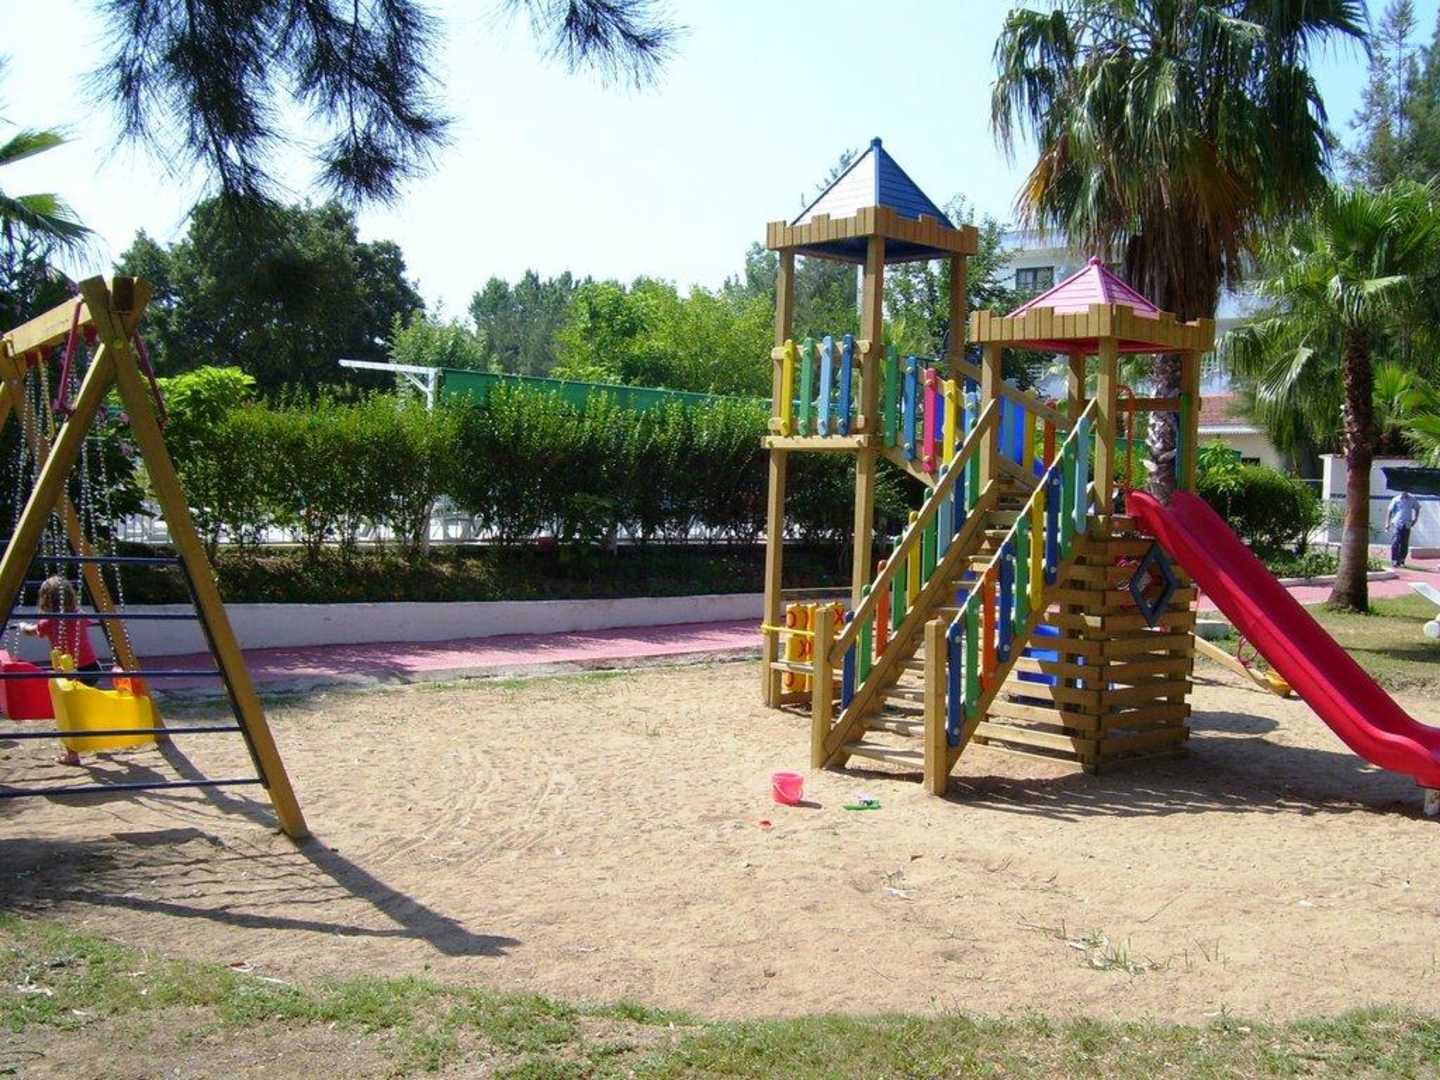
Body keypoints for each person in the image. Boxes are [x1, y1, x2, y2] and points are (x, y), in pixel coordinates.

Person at [20, 575, 104, 765]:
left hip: (70, 672)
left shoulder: (49, 622)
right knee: (84, 705)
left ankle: (72, 754)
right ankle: (92, 733)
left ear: (45, 599)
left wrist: (23, 626)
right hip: (92, 668)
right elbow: (87, 623)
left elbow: (33, 631)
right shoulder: (80, 614)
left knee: (68, 712)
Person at [1387, 489, 1421, 568]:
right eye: (1403, 490)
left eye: (1406, 490)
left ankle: (1402, 560)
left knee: (1405, 543)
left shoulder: (1412, 499)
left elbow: (1417, 508)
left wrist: (1415, 519)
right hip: (1397, 523)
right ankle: (1394, 560)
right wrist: (1387, 523)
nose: (1404, 492)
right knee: (1395, 541)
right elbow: (1389, 511)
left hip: (1407, 523)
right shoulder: (1396, 499)